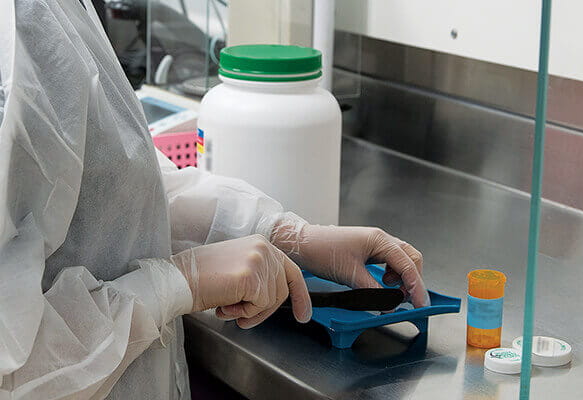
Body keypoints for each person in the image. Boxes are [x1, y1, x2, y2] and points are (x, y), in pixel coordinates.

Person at [0, 0, 429, 399]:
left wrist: (285, 234)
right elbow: (11, 371)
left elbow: (116, 184)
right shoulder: (13, 38)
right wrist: (174, 283)